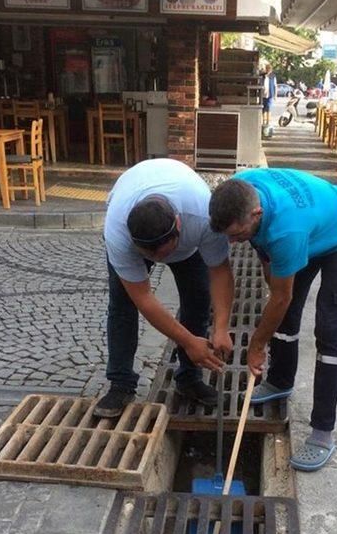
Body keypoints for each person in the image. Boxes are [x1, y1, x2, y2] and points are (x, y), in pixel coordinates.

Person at [209, 169, 337, 471]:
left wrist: (257, 345)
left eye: (236, 235)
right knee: (285, 310)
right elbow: (269, 266)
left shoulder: (286, 231)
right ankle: (281, 380)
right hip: (313, 228)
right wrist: (270, 272)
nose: (231, 243)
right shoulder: (246, 186)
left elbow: (280, 296)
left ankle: (323, 432)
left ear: (256, 214)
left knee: (328, 330)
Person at [94, 158, 234, 418]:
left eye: (165, 253)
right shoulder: (118, 232)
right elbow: (143, 298)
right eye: (150, 255)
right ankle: (121, 383)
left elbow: (220, 271)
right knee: (122, 308)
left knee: (198, 300)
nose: (159, 261)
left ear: (178, 226)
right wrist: (189, 341)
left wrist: (222, 327)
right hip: (131, 198)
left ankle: (189, 380)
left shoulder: (203, 215)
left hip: (188, 237)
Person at [262, 63, 277, 129]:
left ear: (271, 69)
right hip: (262, 94)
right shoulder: (262, 75)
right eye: (267, 68)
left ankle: (268, 122)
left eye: (269, 68)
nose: (268, 69)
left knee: (268, 108)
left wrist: (275, 95)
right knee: (263, 108)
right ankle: (263, 122)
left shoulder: (273, 76)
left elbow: (275, 86)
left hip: (270, 94)